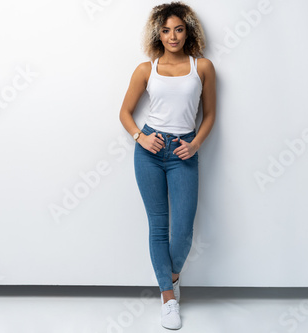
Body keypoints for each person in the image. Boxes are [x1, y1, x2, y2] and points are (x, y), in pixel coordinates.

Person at [119, 1, 216, 329]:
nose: (172, 36)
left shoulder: (201, 67)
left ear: (188, 30)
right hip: (149, 150)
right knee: (158, 227)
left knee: (184, 230)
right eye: (165, 30)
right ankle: (168, 299)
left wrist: (195, 143)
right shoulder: (146, 69)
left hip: (183, 152)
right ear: (157, 34)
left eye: (178, 29)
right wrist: (139, 137)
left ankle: (170, 277)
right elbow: (125, 113)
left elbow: (211, 114)